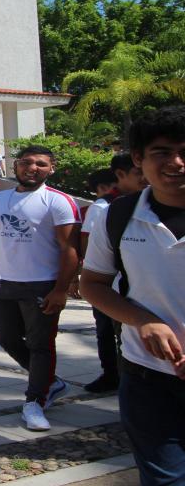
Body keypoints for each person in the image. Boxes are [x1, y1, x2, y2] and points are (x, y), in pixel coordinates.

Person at [80, 107, 185, 486]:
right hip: (149, 379)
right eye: (162, 152)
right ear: (138, 159)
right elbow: (91, 284)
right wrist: (143, 320)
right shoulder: (118, 215)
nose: (176, 162)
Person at [0, 145, 81, 431]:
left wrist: (61, 289)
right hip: (5, 284)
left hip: (42, 283)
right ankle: (51, 382)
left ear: (51, 168)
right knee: (6, 338)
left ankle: (36, 400)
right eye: (26, 162)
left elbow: (70, 249)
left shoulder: (58, 202)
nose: (32, 168)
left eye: (40, 163)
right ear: (16, 166)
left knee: (40, 345)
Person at [75, 153, 146, 394]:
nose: (144, 178)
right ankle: (112, 374)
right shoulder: (105, 208)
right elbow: (87, 242)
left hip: (141, 289)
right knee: (108, 333)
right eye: (138, 173)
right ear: (120, 176)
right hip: (110, 287)